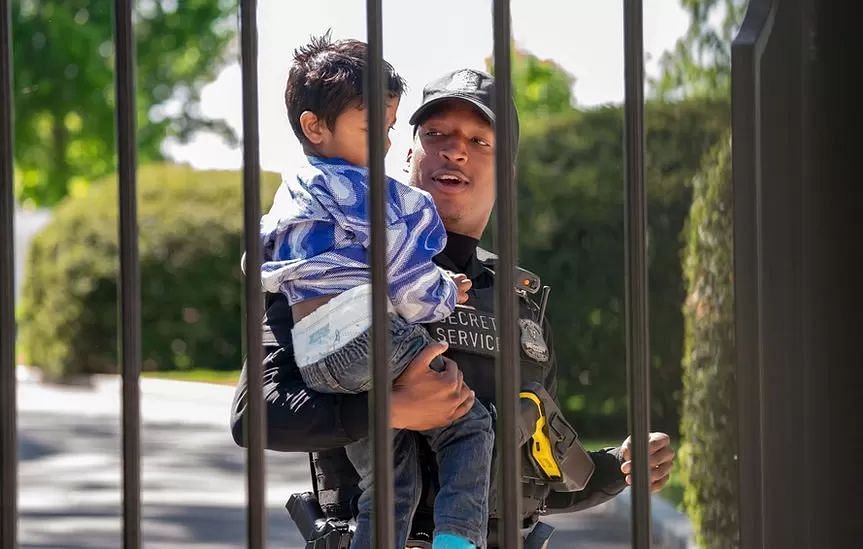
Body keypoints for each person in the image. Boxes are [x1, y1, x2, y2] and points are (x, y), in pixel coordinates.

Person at [231, 66, 675, 548]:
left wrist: (618, 467)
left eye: (480, 141)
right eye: (436, 134)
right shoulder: (334, 265)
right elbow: (256, 416)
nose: (456, 149)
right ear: (407, 153)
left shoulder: (519, 302)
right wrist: (389, 411)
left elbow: (524, 484)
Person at [256, 33, 492, 549]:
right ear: (314, 126)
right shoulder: (381, 199)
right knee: (470, 427)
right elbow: (407, 284)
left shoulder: (294, 190)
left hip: (317, 356)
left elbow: (263, 257)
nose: (383, 145)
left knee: (389, 478)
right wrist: (446, 293)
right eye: (376, 129)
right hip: (363, 336)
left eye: (480, 142)